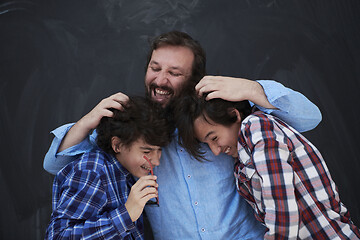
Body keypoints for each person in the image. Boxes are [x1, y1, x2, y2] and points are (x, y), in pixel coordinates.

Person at [43, 31, 323, 239]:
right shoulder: (135, 131)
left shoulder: (222, 115)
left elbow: (310, 118)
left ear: (193, 79)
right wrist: (88, 121)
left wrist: (252, 90)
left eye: (174, 73)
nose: (160, 80)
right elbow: (55, 164)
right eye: (155, 68)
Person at [173, 92, 360, 239]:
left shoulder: (256, 126)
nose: (215, 150)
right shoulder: (240, 166)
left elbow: (281, 205)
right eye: (207, 144)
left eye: (214, 138)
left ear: (234, 115)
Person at [45, 96, 174, 239]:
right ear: (117, 145)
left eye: (159, 150)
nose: (156, 161)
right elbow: (58, 236)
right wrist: (126, 214)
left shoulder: (127, 170)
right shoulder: (92, 171)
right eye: (146, 151)